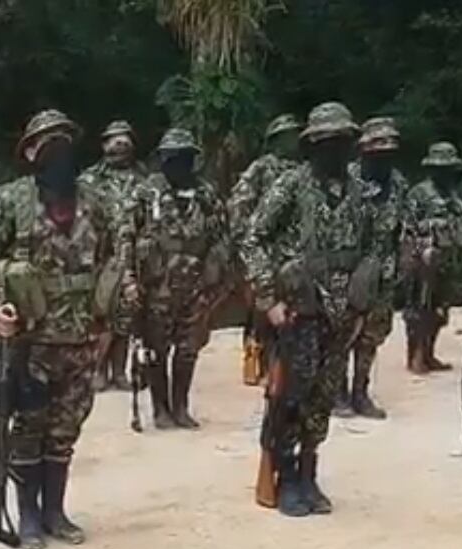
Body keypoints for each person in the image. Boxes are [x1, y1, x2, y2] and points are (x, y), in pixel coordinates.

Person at [0, 109, 124, 549]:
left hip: (81, 339)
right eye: (46, 142)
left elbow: (116, 259)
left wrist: (111, 321)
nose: (57, 149)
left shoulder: (96, 201)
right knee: (27, 428)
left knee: (65, 429)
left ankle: (55, 512)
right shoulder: (11, 201)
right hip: (30, 341)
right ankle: (27, 517)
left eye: (64, 139)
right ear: (29, 152)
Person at [242, 101, 375, 517]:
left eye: (341, 141)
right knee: (289, 397)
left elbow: (372, 248)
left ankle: (308, 474)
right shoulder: (291, 185)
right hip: (301, 310)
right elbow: (253, 238)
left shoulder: (357, 191)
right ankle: (282, 477)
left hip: (343, 312)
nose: (335, 149)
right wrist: (269, 299)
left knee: (321, 398)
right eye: (326, 142)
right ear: (312, 146)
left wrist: (365, 301)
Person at [118, 128, 230, 429]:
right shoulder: (146, 193)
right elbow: (126, 237)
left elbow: (222, 239)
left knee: (187, 350)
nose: (177, 165)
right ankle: (160, 409)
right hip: (156, 287)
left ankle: (181, 407)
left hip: (195, 286)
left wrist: (216, 281)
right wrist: (128, 280)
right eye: (171, 158)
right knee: (156, 349)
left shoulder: (206, 195)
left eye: (183, 158)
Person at [341, 116, 410, 419]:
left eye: (389, 153)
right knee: (342, 335)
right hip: (348, 272)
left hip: (384, 272)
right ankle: (337, 393)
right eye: (377, 153)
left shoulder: (397, 184)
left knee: (371, 338)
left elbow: (404, 226)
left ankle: (360, 392)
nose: (383, 160)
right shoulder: (347, 180)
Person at [229, 114, 303, 385]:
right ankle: (255, 360)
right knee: (261, 310)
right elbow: (239, 203)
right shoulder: (261, 168)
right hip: (263, 249)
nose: (291, 139)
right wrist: (243, 241)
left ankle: (281, 365)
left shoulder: (303, 169)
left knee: (289, 311)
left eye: (294, 134)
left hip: (294, 252)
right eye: (286, 135)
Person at [79, 120, 146, 392]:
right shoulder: (88, 180)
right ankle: (98, 369)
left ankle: (119, 372)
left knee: (126, 316)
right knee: (99, 313)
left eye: (125, 141)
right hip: (99, 257)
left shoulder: (143, 182)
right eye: (114, 141)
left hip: (131, 256)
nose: (120, 146)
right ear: (104, 145)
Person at [402, 141, 462, 374]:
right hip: (423, 260)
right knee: (419, 310)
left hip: (447, 260)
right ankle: (415, 356)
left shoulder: (453, 195)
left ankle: (430, 353)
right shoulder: (419, 194)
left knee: (440, 311)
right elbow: (407, 227)